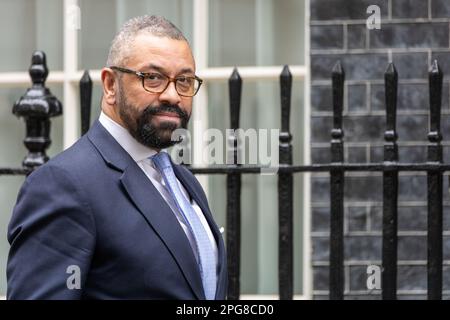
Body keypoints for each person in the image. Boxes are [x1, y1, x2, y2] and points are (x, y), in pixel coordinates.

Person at [7, 15, 227, 300]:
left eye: (184, 81)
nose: (173, 95)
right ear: (110, 85)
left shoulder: (183, 181)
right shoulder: (62, 185)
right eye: (153, 78)